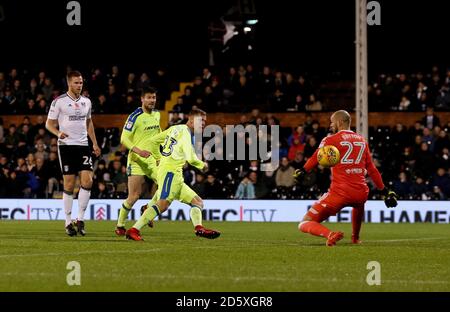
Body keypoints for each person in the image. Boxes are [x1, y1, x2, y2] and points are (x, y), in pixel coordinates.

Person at [293, 110, 398, 246]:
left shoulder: (330, 139)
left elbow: (316, 157)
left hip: (339, 193)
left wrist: (303, 170)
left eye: (332, 122)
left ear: (340, 122)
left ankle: (330, 235)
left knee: (305, 222)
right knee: (358, 205)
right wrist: (385, 191)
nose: (331, 125)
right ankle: (355, 238)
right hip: (361, 192)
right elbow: (372, 169)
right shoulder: (362, 141)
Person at [126, 109, 220, 241]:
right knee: (163, 204)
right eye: (201, 120)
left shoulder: (175, 128)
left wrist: (159, 158)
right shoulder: (186, 134)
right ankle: (133, 229)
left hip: (171, 172)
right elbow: (191, 158)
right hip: (171, 173)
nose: (204, 123)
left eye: (205, 121)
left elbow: (153, 141)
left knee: (197, 202)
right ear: (191, 120)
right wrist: (203, 166)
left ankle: (199, 228)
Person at [46, 71, 101, 236]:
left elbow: (89, 122)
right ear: (69, 83)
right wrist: (58, 134)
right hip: (66, 145)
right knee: (69, 184)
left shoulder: (87, 102)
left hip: (83, 145)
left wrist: (95, 143)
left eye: (81, 83)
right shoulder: (59, 102)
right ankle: (68, 221)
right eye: (76, 83)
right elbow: (49, 124)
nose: (79, 85)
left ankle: (81, 219)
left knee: (88, 181)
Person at [114, 87, 161, 236]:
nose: (152, 100)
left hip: (152, 159)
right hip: (136, 160)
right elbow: (124, 139)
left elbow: (158, 134)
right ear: (142, 99)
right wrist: (139, 151)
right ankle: (120, 225)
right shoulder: (135, 116)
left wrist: (159, 156)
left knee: (166, 185)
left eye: (153, 97)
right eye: (149, 97)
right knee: (134, 196)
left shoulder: (157, 115)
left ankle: (148, 207)